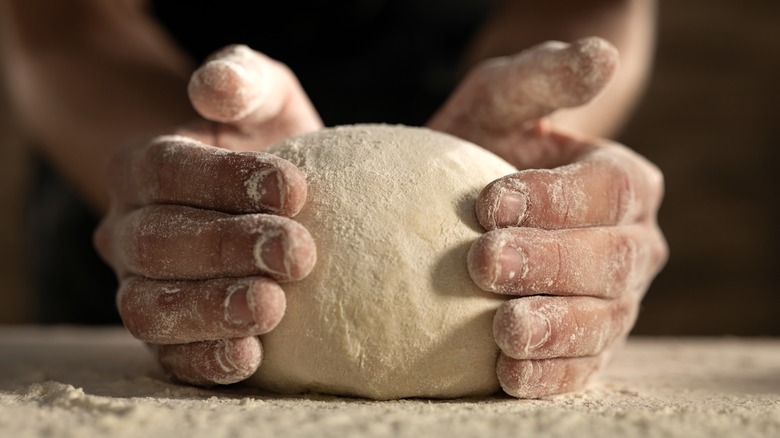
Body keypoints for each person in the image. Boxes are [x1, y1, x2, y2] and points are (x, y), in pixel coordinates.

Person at [0, 0, 667, 398]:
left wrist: (530, 141)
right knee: (221, 307)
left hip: (475, 156)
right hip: (174, 166)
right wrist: (180, 172)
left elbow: (591, 6)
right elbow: (63, 21)